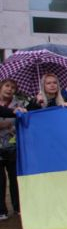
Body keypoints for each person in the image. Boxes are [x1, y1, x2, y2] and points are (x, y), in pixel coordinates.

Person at [0, 79, 25, 219]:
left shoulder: (18, 104)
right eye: (7, 86)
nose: (9, 89)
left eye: (13, 87)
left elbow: (23, 120)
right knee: (0, 180)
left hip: (13, 147)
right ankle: (1, 210)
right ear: (1, 87)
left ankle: (18, 207)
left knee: (15, 178)